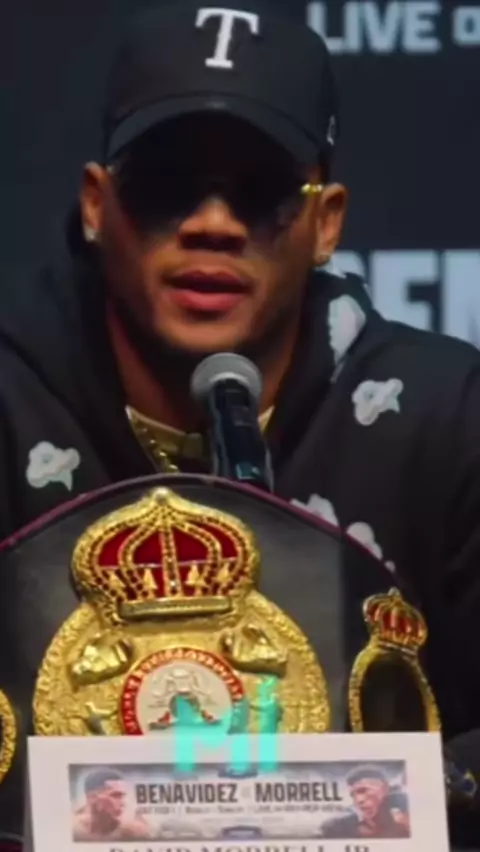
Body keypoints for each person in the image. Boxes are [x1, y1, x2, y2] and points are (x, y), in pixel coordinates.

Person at [1, 0, 480, 739]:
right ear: (97, 205)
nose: (213, 224)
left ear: (326, 223)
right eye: (166, 185)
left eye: (260, 191)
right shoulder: (10, 404)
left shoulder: (445, 422)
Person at [323, 767, 410, 839]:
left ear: (384, 788)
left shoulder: (406, 815)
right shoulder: (342, 827)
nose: (358, 800)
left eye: (363, 791)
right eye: (353, 795)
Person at [72, 769, 152, 841]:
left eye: (123, 796)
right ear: (92, 798)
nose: (123, 803)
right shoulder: (73, 830)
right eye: (115, 796)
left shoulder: (132, 830)